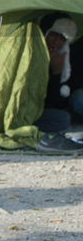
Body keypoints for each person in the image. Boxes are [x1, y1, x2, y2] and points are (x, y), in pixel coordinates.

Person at [35, 17, 83, 153]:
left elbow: (54, 103)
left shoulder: (62, 57)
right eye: (54, 35)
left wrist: (56, 72)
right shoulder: (31, 51)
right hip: (27, 110)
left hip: (45, 109)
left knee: (63, 118)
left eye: (61, 39)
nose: (56, 42)